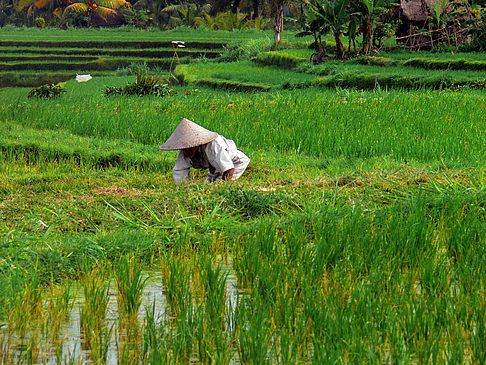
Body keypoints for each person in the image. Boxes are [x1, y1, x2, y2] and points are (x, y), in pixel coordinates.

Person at [159, 118, 250, 184]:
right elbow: (180, 171)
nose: (187, 152)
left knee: (218, 185)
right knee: (209, 184)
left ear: (197, 144)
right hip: (214, 169)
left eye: (190, 148)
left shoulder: (214, 145)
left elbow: (229, 169)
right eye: (184, 149)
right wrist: (184, 188)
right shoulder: (184, 151)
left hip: (236, 163)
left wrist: (222, 187)